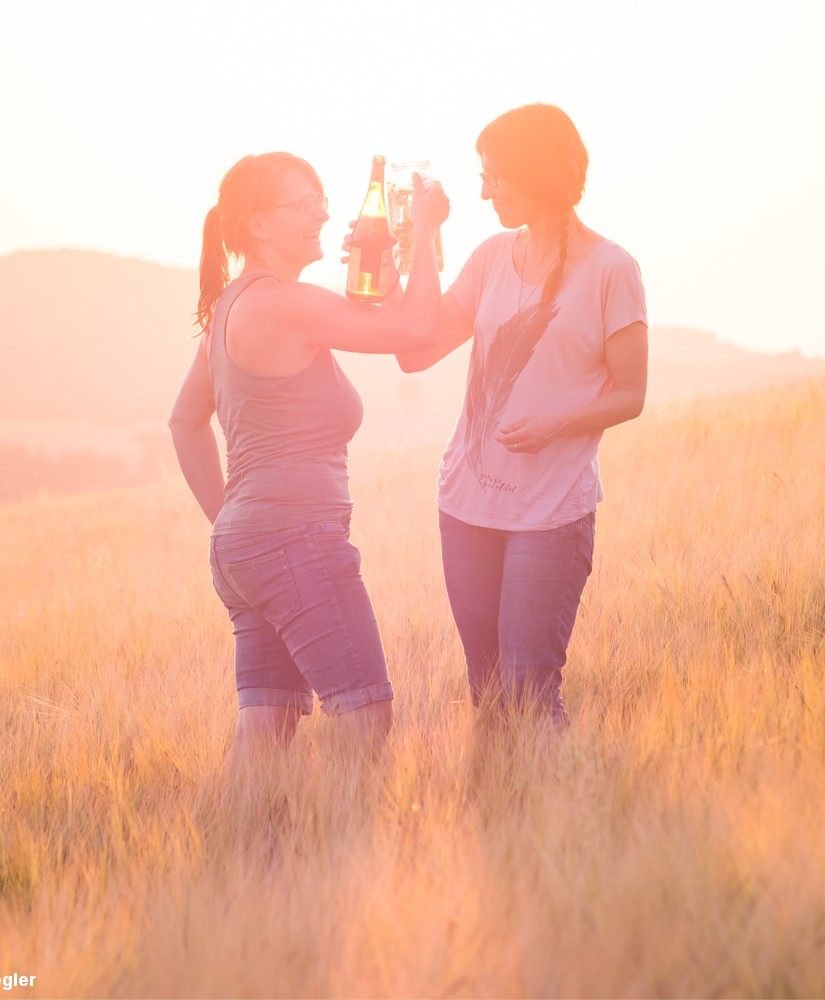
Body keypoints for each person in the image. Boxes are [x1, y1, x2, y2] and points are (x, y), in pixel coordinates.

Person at [170, 151, 449, 752]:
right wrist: (423, 230)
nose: (321, 214)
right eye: (304, 204)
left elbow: (183, 423)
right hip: (294, 539)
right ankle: (348, 843)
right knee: (365, 714)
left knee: (266, 730)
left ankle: (240, 844)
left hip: (247, 548)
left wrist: (236, 521)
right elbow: (420, 331)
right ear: (258, 224)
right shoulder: (284, 304)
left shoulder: (233, 307)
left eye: (321, 201)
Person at [397, 104, 648, 726]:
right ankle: (502, 817)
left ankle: (554, 815)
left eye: (495, 177)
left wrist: (553, 424)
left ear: (535, 175)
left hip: (549, 513)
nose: (483, 191)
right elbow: (414, 352)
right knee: (486, 691)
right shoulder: (489, 257)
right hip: (466, 508)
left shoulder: (612, 269)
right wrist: (421, 237)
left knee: (530, 691)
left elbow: (632, 394)